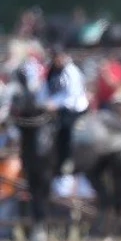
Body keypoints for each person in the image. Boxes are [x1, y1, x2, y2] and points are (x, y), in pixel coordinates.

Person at [40, 46, 90, 175]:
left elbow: (72, 95)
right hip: (54, 108)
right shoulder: (51, 71)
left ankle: (67, 160)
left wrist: (54, 104)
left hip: (73, 109)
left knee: (66, 130)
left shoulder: (72, 71)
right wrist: (44, 103)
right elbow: (45, 89)